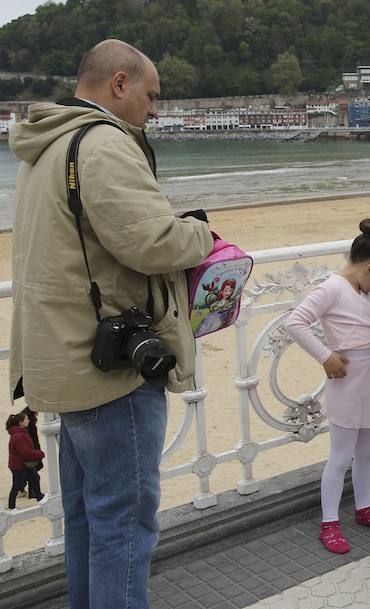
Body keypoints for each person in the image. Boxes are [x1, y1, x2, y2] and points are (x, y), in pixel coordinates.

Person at [8, 40, 213, 609]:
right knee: (124, 523)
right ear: (119, 83)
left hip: (63, 360)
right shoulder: (101, 145)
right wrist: (202, 234)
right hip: (112, 369)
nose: (154, 110)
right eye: (150, 96)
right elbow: (150, 241)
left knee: (88, 520)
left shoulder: (47, 146)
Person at [284, 219, 370, 554]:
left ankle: (363, 508)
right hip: (348, 379)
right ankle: (329, 522)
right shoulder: (331, 288)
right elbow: (295, 322)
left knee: (366, 452)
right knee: (340, 456)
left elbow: (363, 332)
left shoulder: (355, 290)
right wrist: (324, 355)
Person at [7, 413, 45, 509]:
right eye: (26, 419)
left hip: (24, 464)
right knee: (16, 485)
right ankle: (11, 507)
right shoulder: (18, 436)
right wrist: (40, 454)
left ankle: (39, 497)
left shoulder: (21, 432)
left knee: (36, 477)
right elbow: (26, 453)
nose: (28, 421)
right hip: (18, 466)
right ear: (20, 422)